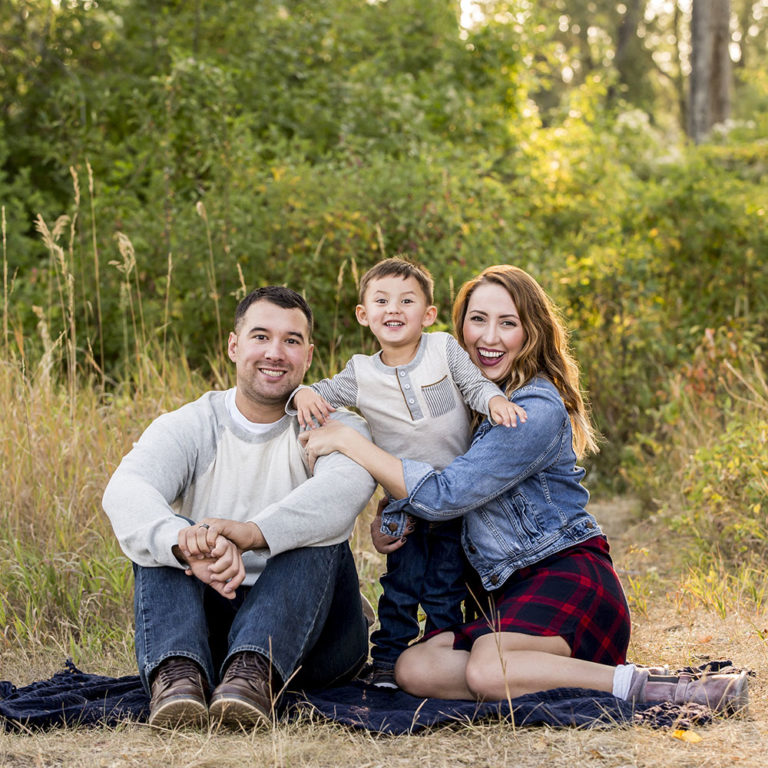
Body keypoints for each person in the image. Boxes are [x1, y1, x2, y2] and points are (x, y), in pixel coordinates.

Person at [299, 265, 748, 713]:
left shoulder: (530, 408)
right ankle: (543, 676)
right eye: (478, 320)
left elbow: (445, 495)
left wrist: (347, 441)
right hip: (507, 596)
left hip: (564, 576)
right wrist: (398, 516)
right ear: (458, 329)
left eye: (508, 323)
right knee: (415, 669)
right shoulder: (464, 398)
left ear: (531, 332)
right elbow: (426, 479)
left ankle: (655, 686)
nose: (489, 338)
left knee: (486, 670)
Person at [102, 286, 377, 730]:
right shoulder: (191, 423)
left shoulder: (337, 425)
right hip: (210, 629)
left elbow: (344, 491)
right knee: (166, 536)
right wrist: (184, 543)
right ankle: (179, 677)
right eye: (260, 336)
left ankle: (254, 675)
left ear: (308, 356)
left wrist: (249, 533)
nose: (275, 352)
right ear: (234, 346)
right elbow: (125, 490)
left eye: (291, 341)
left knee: (318, 530)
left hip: (316, 640)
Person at [290, 257, 525, 688]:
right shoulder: (360, 372)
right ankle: (388, 660)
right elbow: (319, 393)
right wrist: (304, 391)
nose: (393, 309)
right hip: (405, 500)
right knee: (400, 585)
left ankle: (441, 653)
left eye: (406, 300)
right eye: (381, 301)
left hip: (457, 497)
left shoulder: (443, 349)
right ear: (364, 315)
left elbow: (474, 386)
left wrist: (494, 402)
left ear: (428, 314)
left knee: (444, 584)